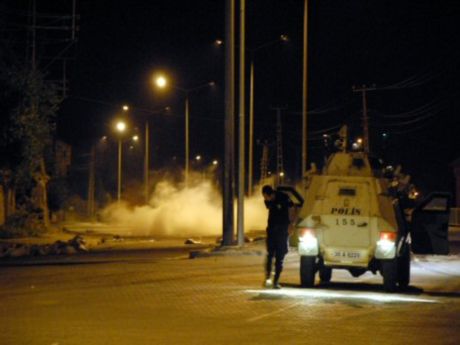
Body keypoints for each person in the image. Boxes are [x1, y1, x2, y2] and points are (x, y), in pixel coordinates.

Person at [262, 184, 293, 289]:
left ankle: (275, 281)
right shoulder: (268, 201)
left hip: (282, 232)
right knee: (270, 255)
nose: (265, 200)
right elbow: (268, 207)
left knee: (279, 257)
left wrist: (291, 225)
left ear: (269, 193)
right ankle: (267, 278)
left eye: (265, 197)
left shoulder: (283, 197)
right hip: (271, 232)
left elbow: (292, 207)